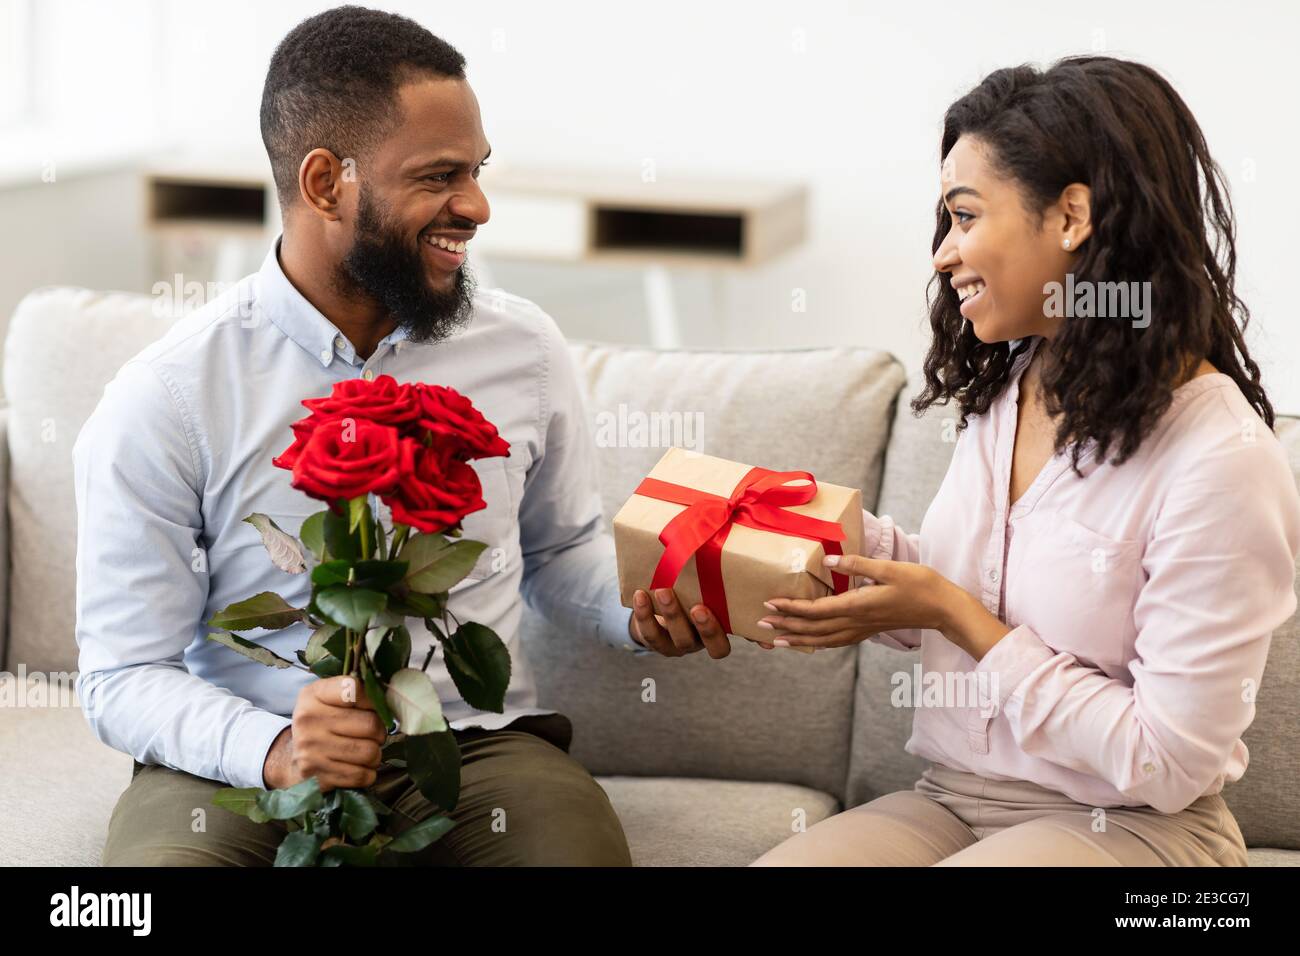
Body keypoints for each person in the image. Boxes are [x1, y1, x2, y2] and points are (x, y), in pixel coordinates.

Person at [73, 5, 723, 867]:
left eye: (479, 170)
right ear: (323, 183)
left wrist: (638, 611)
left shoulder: (523, 351)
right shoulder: (167, 395)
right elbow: (122, 674)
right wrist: (275, 750)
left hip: (471, 749)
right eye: (439, 176)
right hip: (242, 753)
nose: (478, 206)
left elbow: (560, 553)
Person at [749, 57, 1300, 866]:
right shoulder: (1013, 381)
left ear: (1072, 214)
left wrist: (959, 619)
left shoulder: (1222, 459)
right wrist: (808, 539)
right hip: (951, 800)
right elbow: (962, 585)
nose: (943, 254)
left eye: (966, 217)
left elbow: (1169, 759)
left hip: (1140, 826)